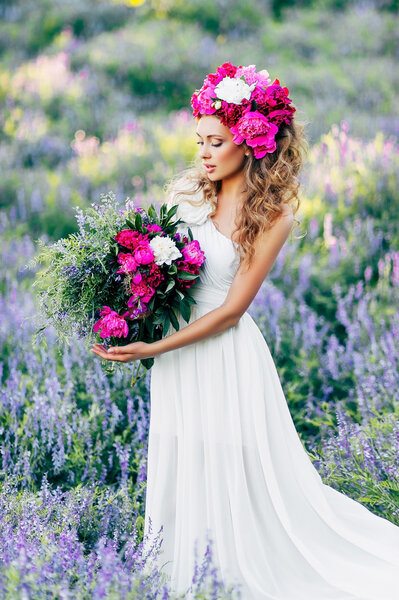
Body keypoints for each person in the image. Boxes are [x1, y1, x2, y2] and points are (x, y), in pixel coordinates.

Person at [91, 63, 399, 599]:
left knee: (229, 460)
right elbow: (158, 270)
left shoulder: (272, 214)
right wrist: (128, 301)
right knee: (181, 448)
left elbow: (232, 310)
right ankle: (179, 568)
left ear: (251, 143)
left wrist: (154, 346)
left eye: (217, 141)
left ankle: (232, 568)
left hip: (222, 351)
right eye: (200, 140)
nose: (205, 153)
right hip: (176, 349)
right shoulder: (187, 194)